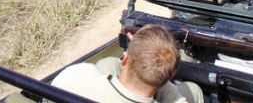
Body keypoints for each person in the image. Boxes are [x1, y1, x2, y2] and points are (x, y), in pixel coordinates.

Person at [49, 25, 203, 103]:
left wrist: (139, 50)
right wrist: (161, 72)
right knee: (194, 90)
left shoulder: (75, 77)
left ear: (125, 58)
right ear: (171, 76)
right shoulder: (167, 86)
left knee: (108, 63)